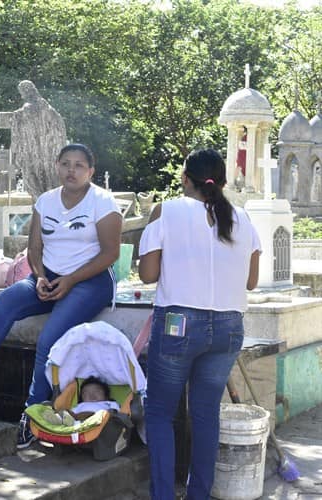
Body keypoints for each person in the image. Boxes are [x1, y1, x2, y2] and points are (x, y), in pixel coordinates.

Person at [0, 143, 123, 449]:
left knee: (49, 339)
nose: (71, 171)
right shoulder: (46, 201)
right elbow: (34, 248)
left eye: (78, 165)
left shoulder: (103, 201)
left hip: (90, 281)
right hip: (47, 277)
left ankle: (32, 416)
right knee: (7, 301)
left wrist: (71, 280)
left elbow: (111, 253)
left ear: (91, 171)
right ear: (57, 166)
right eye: (65, 164)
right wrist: (40, 277)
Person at [138, 148, 261, 500]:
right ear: (222, 181)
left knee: (160, 413)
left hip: (179, 322)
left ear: (184, 178)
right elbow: (251, 282)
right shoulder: (243, 218)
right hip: (228, 327)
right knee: (207, 414)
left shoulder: (167, 210)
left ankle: (163, 496)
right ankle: (198, 496)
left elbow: (147, 274)